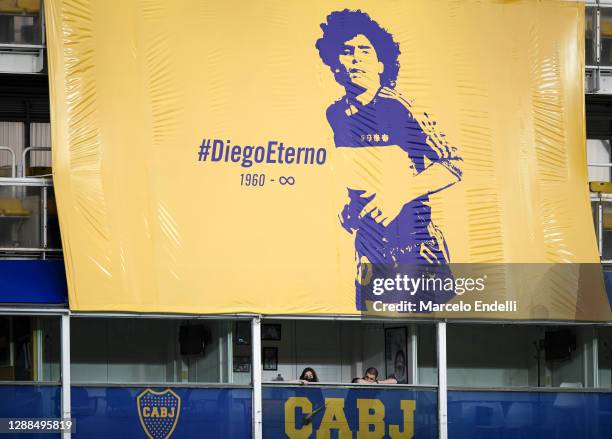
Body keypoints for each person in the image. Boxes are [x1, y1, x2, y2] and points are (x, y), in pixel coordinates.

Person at [316, 9, 463, 310]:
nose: (356, 59)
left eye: (364, 51)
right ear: (335, 65)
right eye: (346, 52)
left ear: (382, 63)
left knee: (429, 326)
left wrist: (398, 195)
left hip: (414, 245)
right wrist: (350, 209)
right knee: (374, 323)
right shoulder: (335, 115)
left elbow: (453, 162)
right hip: (370, 248)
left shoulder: (401, 108)